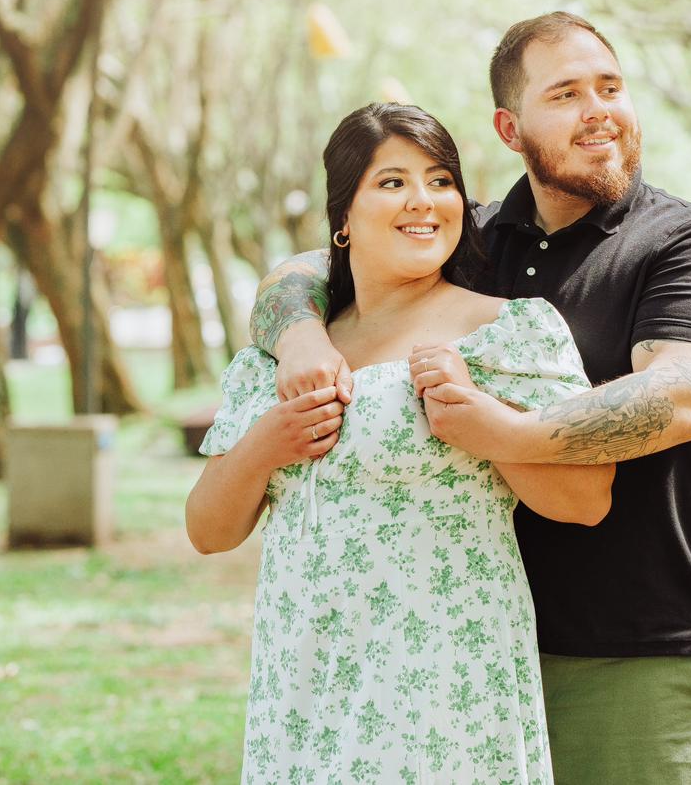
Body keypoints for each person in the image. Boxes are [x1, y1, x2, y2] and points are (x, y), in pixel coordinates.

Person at [254, 12, 691, 784]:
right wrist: (300, 338)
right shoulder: (468, 241)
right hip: (460, 654)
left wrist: (502, 432)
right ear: (509, 127)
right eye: (566, 94)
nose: (599, 109)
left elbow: (682, 397)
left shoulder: (686, 245)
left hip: (623, 647)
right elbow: (301, 269)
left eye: (611, 87)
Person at [186, 103, 613, 783]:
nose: (424, 200)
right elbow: (208, 530)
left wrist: (482, 420)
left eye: (441, 181)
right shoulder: (282, 354)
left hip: (441, 685)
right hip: (303, 682)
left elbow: (585, 500)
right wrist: (266, 443)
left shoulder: (507, 332)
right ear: (343, 218)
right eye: (392, 182)